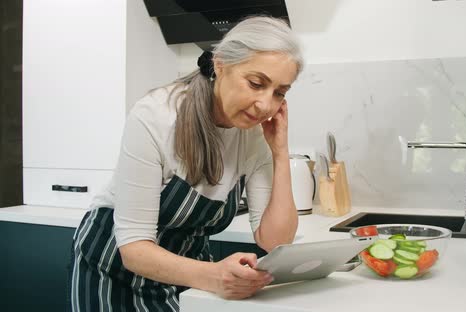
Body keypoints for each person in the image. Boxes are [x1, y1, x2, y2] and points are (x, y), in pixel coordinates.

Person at [69, 16, 303, 311]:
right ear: (220, 65)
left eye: (279, 93)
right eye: (256, 83)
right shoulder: (157, 116)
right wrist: (215, 275)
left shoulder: (255, 136)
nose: (266, 105)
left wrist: (280, 152)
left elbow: (275, 241)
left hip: (188, 273)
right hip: (115, 270)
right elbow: (134, 249)